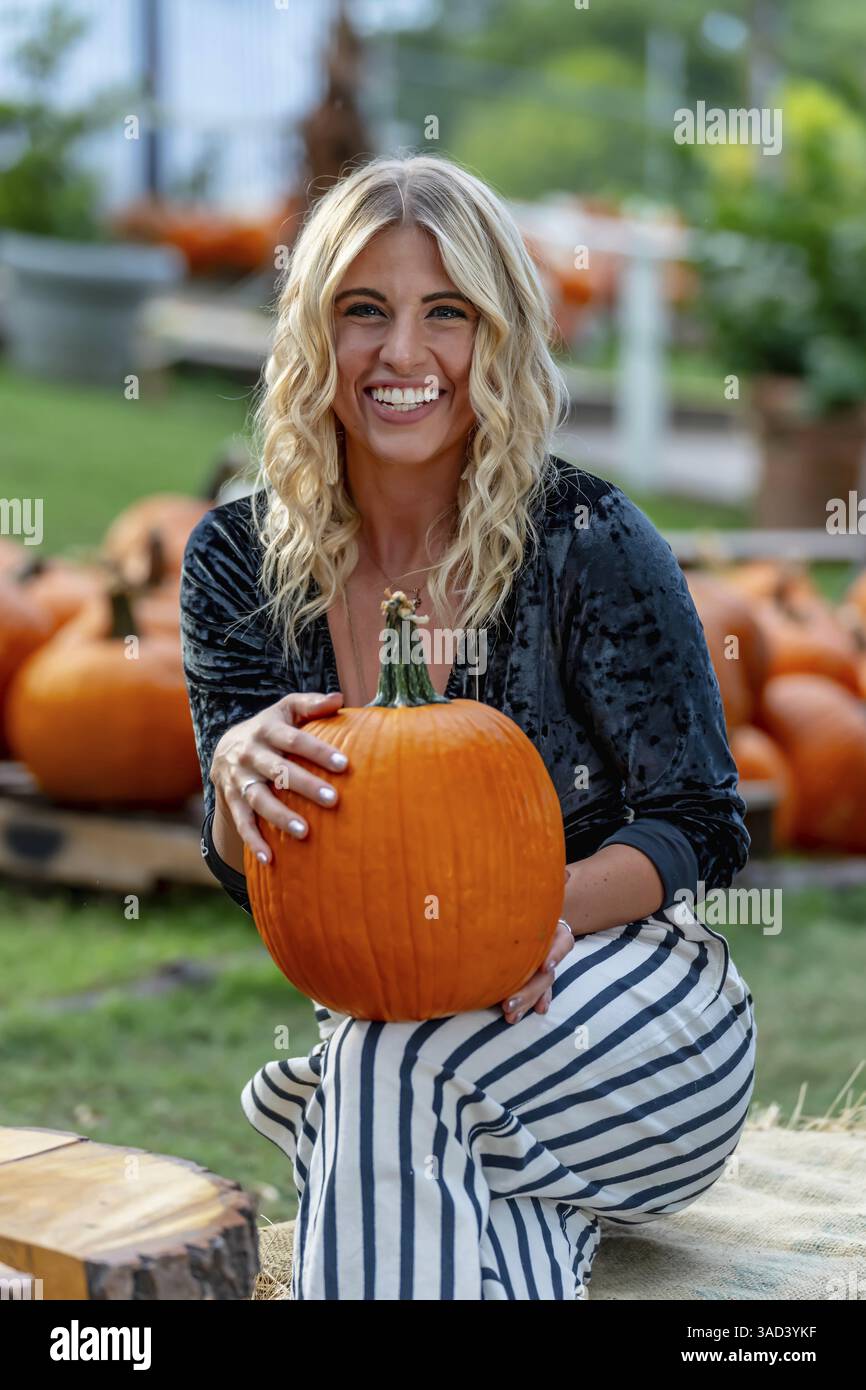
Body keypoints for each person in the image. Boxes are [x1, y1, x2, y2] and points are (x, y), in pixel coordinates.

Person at [179, 153, 757, 1301]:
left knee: (381, 1072)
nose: (403, 355)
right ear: (313, 335)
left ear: (494, 336)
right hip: (416, 1022)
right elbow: (265, 869)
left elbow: (699, 815)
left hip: (629, 1003)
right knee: (403, 1086)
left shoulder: (587, 538)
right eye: (364, 311)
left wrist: (535, 909)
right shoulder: (236, 563)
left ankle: (332, 1115)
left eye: (446, 312)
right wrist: (233, 780)